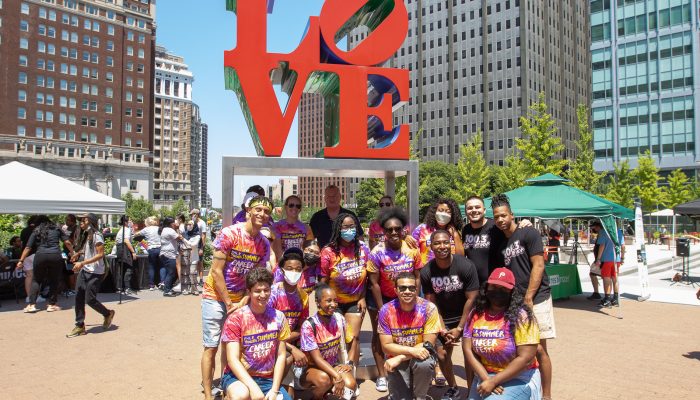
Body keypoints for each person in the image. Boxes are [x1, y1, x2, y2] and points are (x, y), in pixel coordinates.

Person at [201, 195, 273, 400]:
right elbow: (216, 272)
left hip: (240, 299)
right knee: (211, 346)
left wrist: (244, 300)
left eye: (266, 211)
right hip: (215, 297)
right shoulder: (229, 233)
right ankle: (207, 394)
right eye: (258, 209)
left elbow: (257, 278)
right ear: (248, 210)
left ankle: (226, 391)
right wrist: (229, 303)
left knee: (231, 346)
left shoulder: (263, 244)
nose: (262, 214)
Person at [491, 194, 554, 400]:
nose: (500, 220)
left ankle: (547, 395)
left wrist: (529, 297)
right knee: (521, 349)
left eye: (503, 215)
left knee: (539, 350)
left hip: (537, 299)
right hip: (516, 302)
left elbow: (538, 265)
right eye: (497, 216)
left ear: (512, 214)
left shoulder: (528, 232)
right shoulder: (502, 243)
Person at [462, 268, 541, 399]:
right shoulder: (476, 313)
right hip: (485, 374)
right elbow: (467, 348)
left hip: (519, 376)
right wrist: (486, 379)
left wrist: (494, 381)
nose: (498, 291)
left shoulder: (522, 316)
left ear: (512, 292)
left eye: (503, 288)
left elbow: (526, 359)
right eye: (494, 286)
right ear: (486, 288)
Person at [367, 206, 422, 393]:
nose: (393, 232)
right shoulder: (376, 252)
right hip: (382, 298)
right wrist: (383, 309)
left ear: (403, 230)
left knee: (410, 332)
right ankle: (382, 375)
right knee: (379, 336)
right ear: (383, 231)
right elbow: (374, 283)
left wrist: (416, 299)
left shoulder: (412, 249)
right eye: (389, 229)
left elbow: (417, 276)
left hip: (407, 296)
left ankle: (410, 369)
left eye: (397, 229)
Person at [421, 230, 480, 399]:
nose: (442, 246)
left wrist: (460, 328)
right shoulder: (427, 271)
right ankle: (453, 387)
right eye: (437, 243)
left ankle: (471, 391)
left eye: (445, 242)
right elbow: (431, 303)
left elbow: (471, 299)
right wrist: (441, 328)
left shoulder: (466, 266)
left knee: (469, 352)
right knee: (441, 354)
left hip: (467, 315)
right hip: (442, 317)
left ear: (451, 243)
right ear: (431, 246)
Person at [221, 267, 291, 400]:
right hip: (237, 377)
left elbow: (281, 355)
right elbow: (232, 359)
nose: (263, 295)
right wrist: (253, 388)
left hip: (267, 379)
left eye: (266, 290)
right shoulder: (236, 318)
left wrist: (275, 390)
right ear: (249, 292)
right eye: (257, 291)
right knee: (241, 395)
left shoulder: (279, 317)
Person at [377, 272, 443, 400]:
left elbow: (428, 344)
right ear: (396, 290)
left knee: (424, 363)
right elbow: (386, 346)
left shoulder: (429, 308)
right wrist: (410, 352)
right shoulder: (386, 311)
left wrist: (401, 357)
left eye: (411, 288)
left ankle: (421, 397)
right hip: (396, 359)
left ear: (416, 289)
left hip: (419, 357)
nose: (407, 291)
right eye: (402, 288)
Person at [320, 213, 369, 366]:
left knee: (353, 337)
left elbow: (367, 277)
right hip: (335, 303)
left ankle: (351, 374)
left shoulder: (363, 249)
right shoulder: (328, 252)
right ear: (338, 229)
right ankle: (337, 372)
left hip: (356, 300)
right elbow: (323, 280)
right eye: (345, 227)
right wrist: (327, 303)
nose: (349, 230)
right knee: (338, 337)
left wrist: (362, 297)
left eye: (352, 226)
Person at [299, 283, 357, 399]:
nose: (333, 304)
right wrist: (337, 376)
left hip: (333, 365)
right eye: (328, 301)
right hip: (312, 369)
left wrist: (349, 363)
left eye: (335, 301)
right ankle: (316, 397)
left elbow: (353, 341)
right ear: (318, 302)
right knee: (324, 380)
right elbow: (317, 359)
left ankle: (332, 393)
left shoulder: (339, 319)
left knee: (351, 385)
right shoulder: (309, 325)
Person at [268, 248, 310, 398]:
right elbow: (268, 332)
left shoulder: (303, 296)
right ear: (282, 270)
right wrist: (292, 349)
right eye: (289, 268)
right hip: (269, 343)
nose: (294, 272)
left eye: (298, 269)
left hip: (285, 342)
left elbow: (302, 328)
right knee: (288, 357)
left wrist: (287, 342)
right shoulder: (272, 293)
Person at [66, 213, 115, 338]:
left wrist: (82, 262)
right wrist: (78, 254)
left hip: (96, 272)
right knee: (78, 296)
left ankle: (107, 313)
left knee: (90, 299)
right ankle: (79, 325)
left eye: (83, 220)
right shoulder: (87, 235)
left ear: (90, 221)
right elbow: (88, 249)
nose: (81, 222)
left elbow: (100, 254)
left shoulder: (97, 236)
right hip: (85, 270)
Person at [16, 215, 74, 313]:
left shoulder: (36, 230)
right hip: (55, 255)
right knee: (54, 280)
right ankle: (51, 304)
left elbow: (28, 247)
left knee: (36, 280)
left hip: (40, 255)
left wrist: (21, 260)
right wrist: (73, 252)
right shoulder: (57, 229)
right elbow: (67, 242)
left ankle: (31, 305)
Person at [412, 198, 465, 266]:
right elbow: (412, 251)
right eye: (440, 210)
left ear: (453, 215)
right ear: (434, 212)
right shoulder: (421, 229)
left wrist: (455, 235)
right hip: (426, 272)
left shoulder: (454, 232)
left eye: (448, 212)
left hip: (449, 273)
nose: (443, 214)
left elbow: (461, 257)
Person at [272, 195, 315, 259]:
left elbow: (310, 249)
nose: (294, 208)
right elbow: (274, 250)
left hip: (300, 265)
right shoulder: (275, 227)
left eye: (298, 206)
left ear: (300, 209)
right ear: (286, 207)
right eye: (291, 205)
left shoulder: (307, 228)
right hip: (281, 264)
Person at [590, 220, 618, 308]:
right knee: (614, 278)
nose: (593, 228)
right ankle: (615, 298)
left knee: (606, 278)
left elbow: (602, 245)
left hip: (605, 259)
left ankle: (607, 299)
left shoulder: (603, 232)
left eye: (594, 227)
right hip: (615, 259)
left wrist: (598, 259)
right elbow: (621, 244)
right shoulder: (617, 231)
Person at [133, 216, 161, 290]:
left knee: (151, 267)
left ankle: (151, 284)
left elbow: (136, 234)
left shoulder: (146, 229)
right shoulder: (159, 228)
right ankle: (161, 282)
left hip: (151, 248)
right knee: (161, 266)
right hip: (160, 248)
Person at [159, 217, 185, 297]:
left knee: (169, 272)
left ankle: (169, 288)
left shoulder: (165, 229)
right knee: (171, 273)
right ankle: (167, 290)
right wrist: (177, 228)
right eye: (174, 222)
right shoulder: (170, 230)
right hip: (169, 254)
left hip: (165, 253)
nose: (175, 223)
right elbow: (180, 238)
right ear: (171, 223)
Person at [115, 215, 138, 295]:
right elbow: (126, 241)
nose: (131, 222)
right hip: (125, 249)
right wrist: (133, 252)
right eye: (129, 221)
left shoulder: (121, 230)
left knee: (122, 269)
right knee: (128, 268)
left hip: (120, 250)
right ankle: (127, 288)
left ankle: (120, 288)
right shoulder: (126, 229)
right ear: (125, 222)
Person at [19, 216, 39, 303]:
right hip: (35, 254)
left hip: (25, 255)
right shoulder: (37, 230)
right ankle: (36, 297)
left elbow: (22, 244)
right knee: (37, 276)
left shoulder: (24, 230)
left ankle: (28, 297)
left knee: (28, 276)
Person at [61, 214, 80, 296]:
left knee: (72, 271)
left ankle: (73, 289)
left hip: (71, 252)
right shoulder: (68, 228)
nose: (66, 221)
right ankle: (70, 288)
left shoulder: (76, 228)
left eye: (68, 220)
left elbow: (75, 240)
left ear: (72, 221)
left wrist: (72, 251)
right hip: (66, 251)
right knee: (68, 271)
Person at [181, 220, 202, 295]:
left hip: (194, 256)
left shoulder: (197, 235)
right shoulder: (184, 234)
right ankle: (185, 288)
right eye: (187, 224)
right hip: (185, 255)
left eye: (191, 224)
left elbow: (193, 244)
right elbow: (181, 244)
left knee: (193, 272)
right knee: (185, 272)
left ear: (194, 226)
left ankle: (194, 288)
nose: (188, 225)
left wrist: (183, 239)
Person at [190, 208, 208, 285]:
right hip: (192, 243)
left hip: (199, 243)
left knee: (200, 262)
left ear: (197, 215)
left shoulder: (202, 223)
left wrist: (202, 248)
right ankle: (193, 279)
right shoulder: (191, 222)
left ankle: (201, 279)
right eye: (191, 215)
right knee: (193, 262)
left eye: (194, 214)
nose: (192, 216)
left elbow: (203, 236)